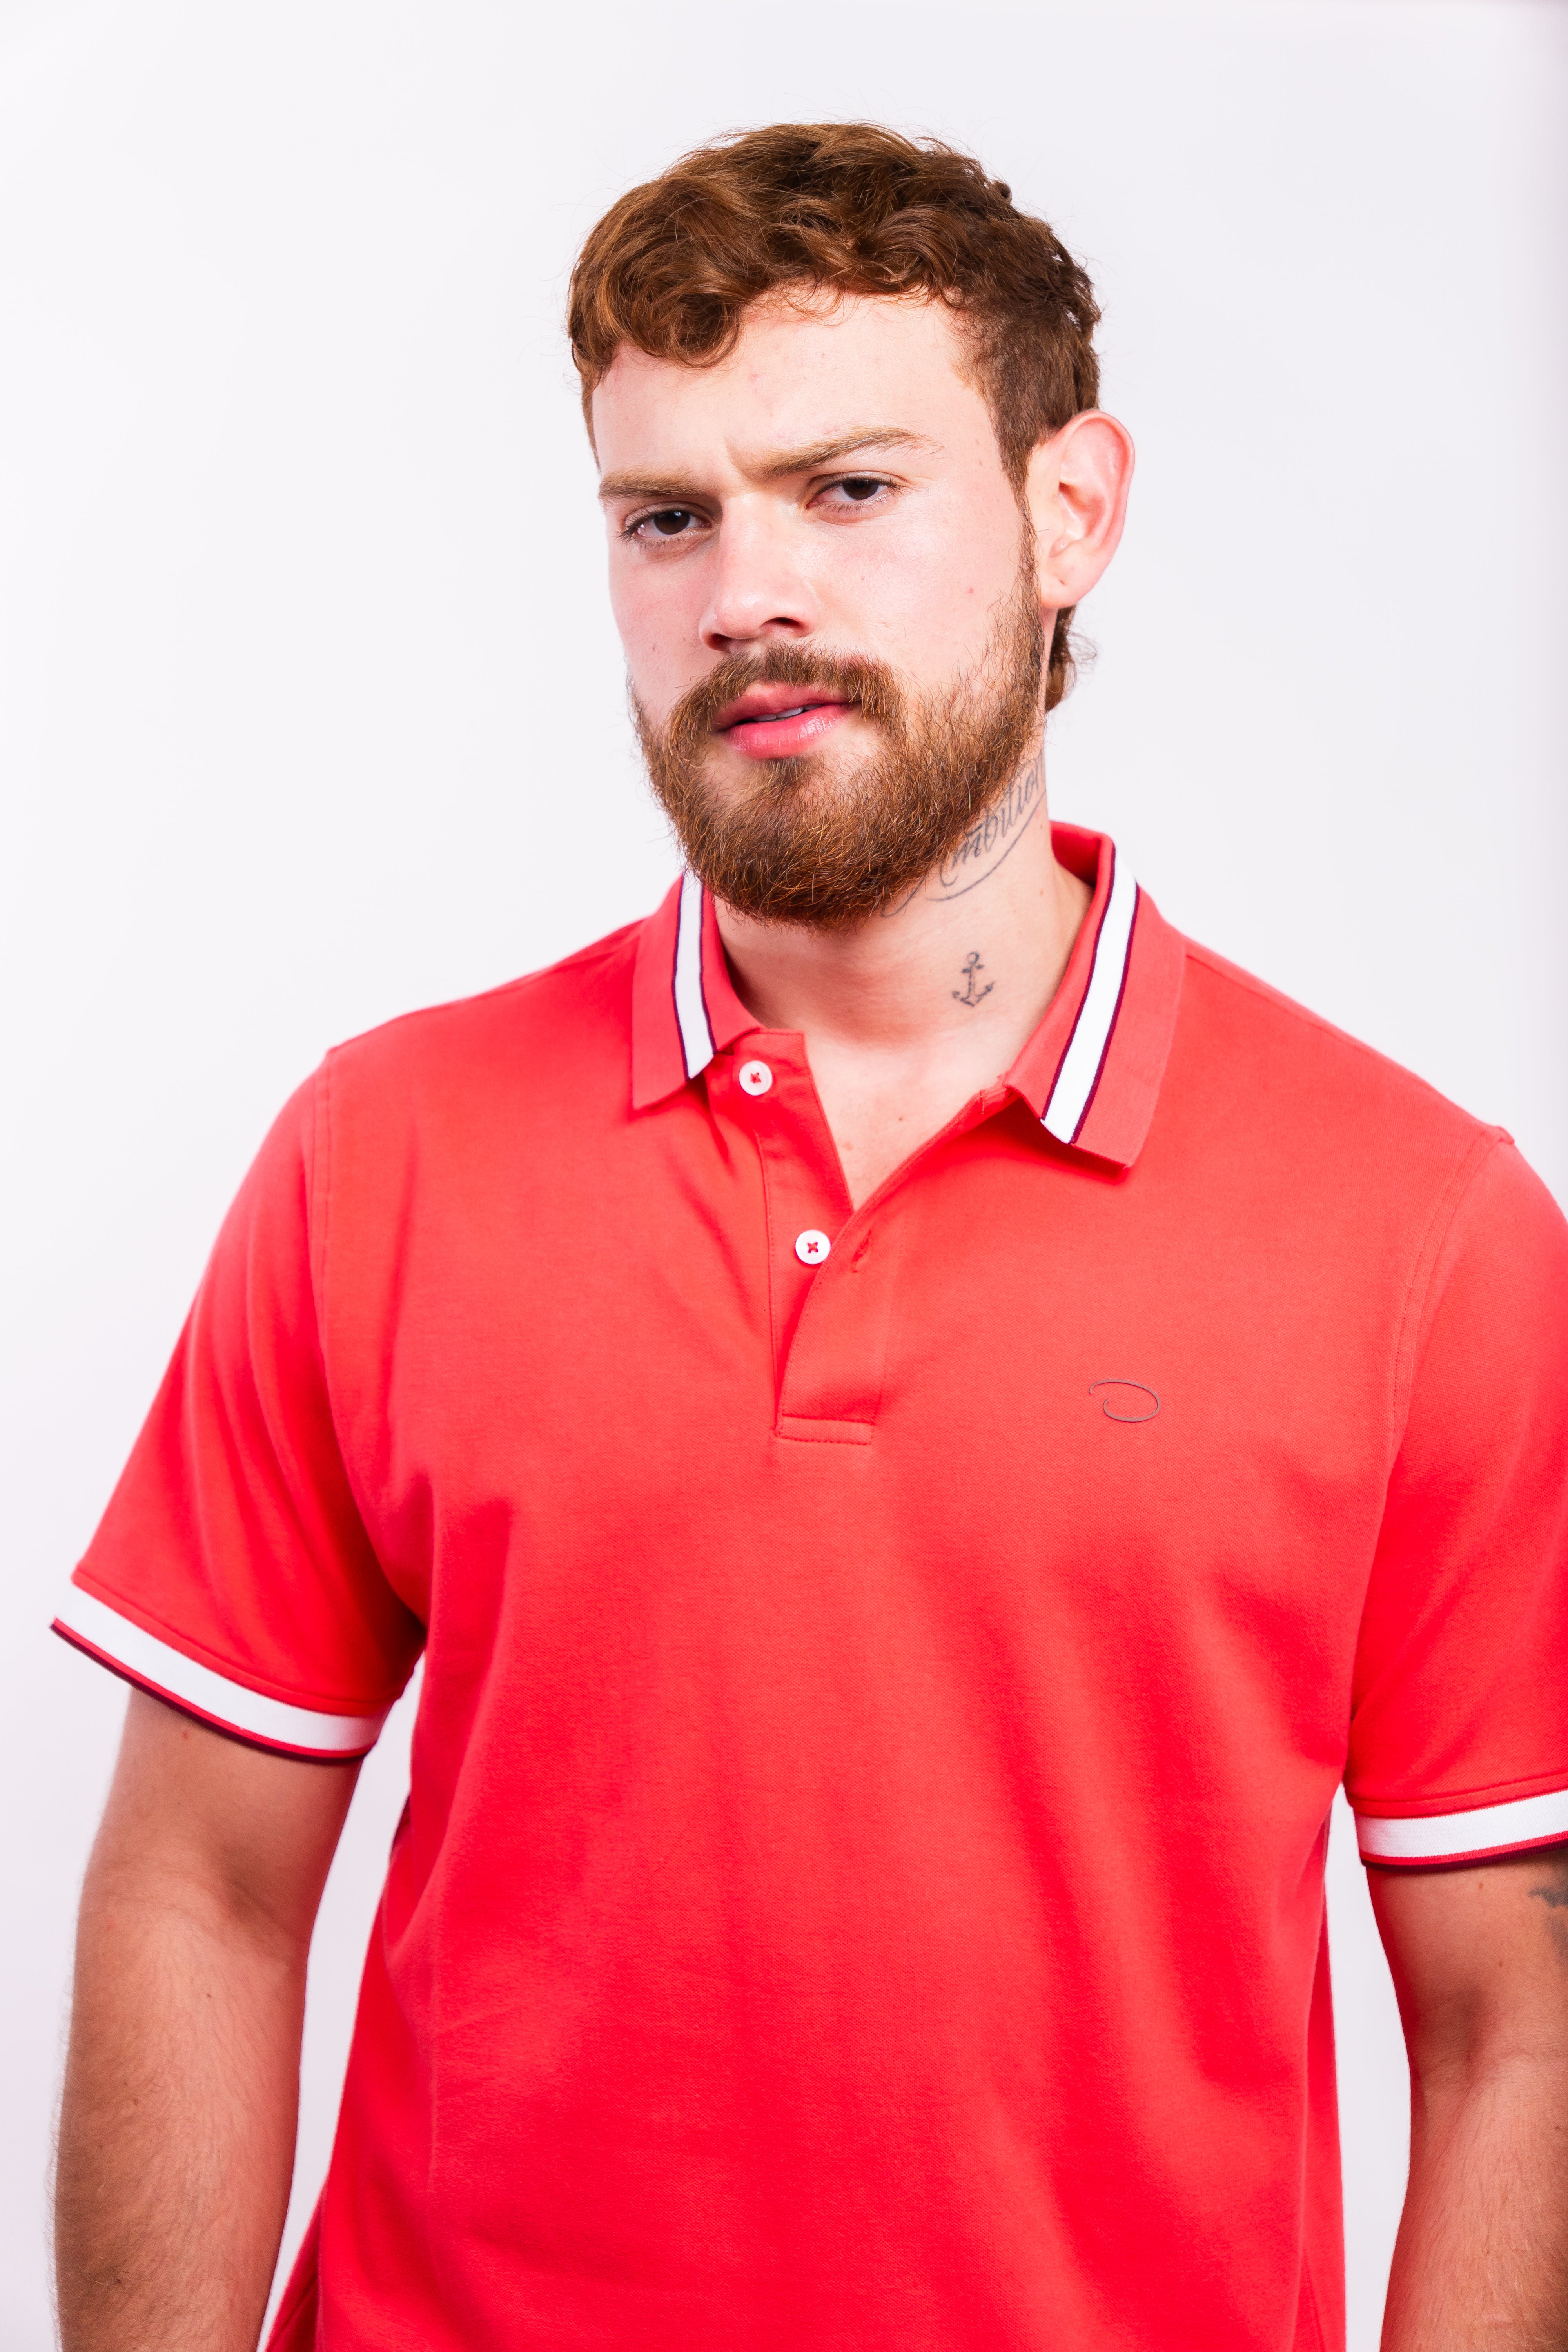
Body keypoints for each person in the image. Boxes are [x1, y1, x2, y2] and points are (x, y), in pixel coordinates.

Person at [52, 122, 1568, 2352]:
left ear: (1072, 513)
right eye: (666, 516)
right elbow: (202, 1888)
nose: (742, 593)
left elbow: (1518, 2018)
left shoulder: (1425, 1235)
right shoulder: (379, 1156)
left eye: (847, 489)